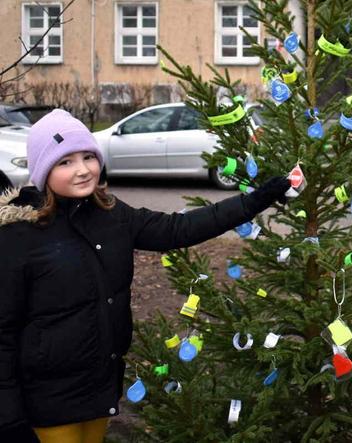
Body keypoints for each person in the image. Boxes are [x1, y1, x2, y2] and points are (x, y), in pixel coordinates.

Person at [0, 109, 291, 442]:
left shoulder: (111, 214)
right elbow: (4, 328)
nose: (83, 170)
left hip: (99, 384)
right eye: (65, 162)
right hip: (46, 396)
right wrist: (7, 415)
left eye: (88, 157)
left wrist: (255, 201)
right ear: (42, 169)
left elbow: (178, 229)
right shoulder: (19, 234)